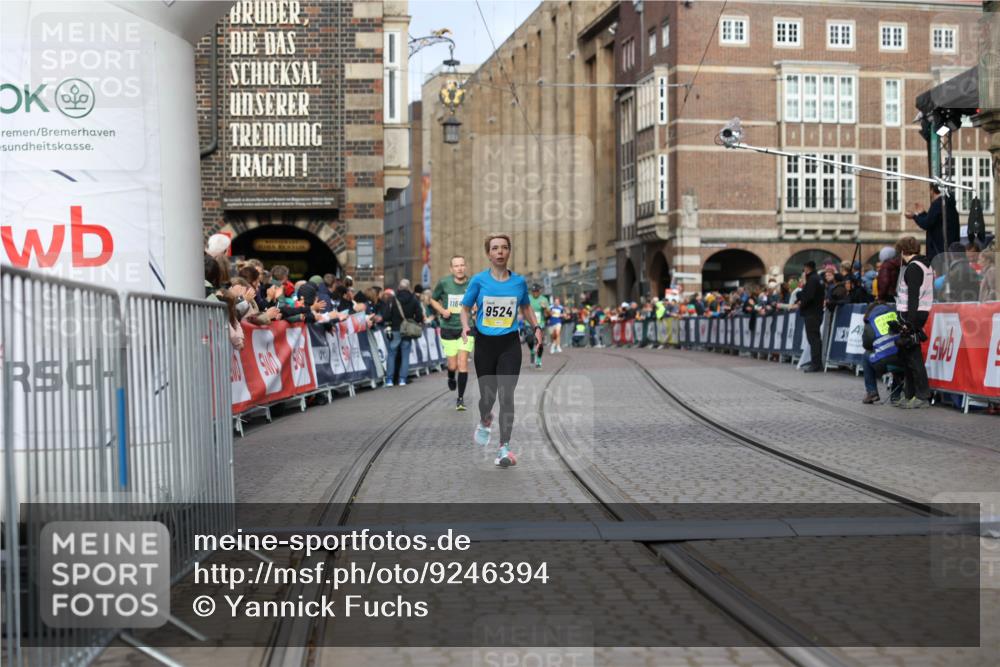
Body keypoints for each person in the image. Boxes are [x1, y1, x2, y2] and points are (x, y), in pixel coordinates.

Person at [460, 233, 543, 468]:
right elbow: (465, 309)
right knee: (487, 397)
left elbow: (526, 307)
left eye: (504, 248)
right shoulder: (478, 281)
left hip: (509, 344)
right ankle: (485, 419)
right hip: (485, 344)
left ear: (509, 252)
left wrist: (536, 326)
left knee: (506, 395)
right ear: (488, 253)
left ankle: (504, 447)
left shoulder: (518, 282)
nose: (499, 252)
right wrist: (466, 327)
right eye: (495, 248)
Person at [894, 236, 934, 409]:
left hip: (910, 315)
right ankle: (910, 393)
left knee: (913, 357)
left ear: (903, 251)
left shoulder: (913, 268)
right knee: (908, 356)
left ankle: (922, 395)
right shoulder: (926, 265)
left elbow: (912, 298)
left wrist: (909, 323)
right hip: (921, 312)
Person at [430, 255, 475, 410]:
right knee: (453, 365)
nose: (460, 268)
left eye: (462, 265)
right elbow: (433, 300)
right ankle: (450, 375)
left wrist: (476, 306)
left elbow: (479, 299)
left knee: (463, 364)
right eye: (456, 266)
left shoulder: (472, 283)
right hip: (448, 328)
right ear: (451, 269)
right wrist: (442, 310)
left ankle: (460, 399)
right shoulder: (444, 283)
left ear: (465, 267)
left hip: (466, 328)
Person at [905, 184, 960, 261]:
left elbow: (926, 224)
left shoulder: (938, 204)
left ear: (932, 191)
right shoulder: (949, 204)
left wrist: (914, 216)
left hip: (938, 252)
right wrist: (922, 214)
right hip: (949, 249)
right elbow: (934, 222)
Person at [384, 279, 423, 387]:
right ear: (409, 287)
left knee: (391, 355)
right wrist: (412, 320)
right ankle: (402, 379)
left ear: (399, 288)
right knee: (405, 355)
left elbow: (386, 316)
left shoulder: (392, 299)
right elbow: (419, 316)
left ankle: (389, 380)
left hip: (395, 329)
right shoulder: (414, 299)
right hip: (407, 331)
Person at [797, 260, 824, 372]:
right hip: (816, 312)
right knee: (815, 338)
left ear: (807, 268)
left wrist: (801, 304)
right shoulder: (817, 278)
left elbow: (809, 296)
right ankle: (816, 363)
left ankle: (816, 364)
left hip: (812, 313)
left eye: (804, 269)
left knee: (813, 339)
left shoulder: (812, 279)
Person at [527, 284, 549, 368]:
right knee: (529, 339)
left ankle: (539, 359)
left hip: (540, 324)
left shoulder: (544, 299)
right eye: (533, 291)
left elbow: (548, 314)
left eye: (536, 291)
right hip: (529, 323)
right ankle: (532, 351)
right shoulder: (528, 298)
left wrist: (545, 308)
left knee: (540, 342)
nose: (535, 293)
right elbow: (523, 309)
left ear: (539, 291)